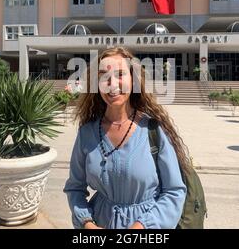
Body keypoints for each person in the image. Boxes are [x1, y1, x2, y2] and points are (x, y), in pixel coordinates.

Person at [63, 47, 187, 229]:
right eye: (104, 76)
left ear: (133, 79)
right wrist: (87, 223)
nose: (112, 84)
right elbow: (75, 188)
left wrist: (142, 226)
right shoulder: (86, 133)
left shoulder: (153, 130)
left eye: (120, 74)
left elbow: (174, 191)